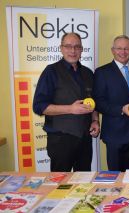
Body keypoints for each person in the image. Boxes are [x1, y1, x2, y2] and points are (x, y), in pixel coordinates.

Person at [33, 32, 100, 172]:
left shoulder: (88, 73)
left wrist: (95, 120)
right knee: (60, 185)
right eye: (68, 46)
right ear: (61, 48)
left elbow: (94, 102)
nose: (73, 50)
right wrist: (70, 108)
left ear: (81, 49)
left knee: (83, 183)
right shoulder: (51, 71)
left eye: (77, 46)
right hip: (60, 139)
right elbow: (39, 106)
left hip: (84, 139)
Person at [93, 35, 129, 172]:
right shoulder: (102, 72)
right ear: (112, 50)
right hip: (115, 134)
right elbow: (98, 102)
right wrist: (121, 109)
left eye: (127, 48)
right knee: (115, 177)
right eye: (119, 48)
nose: (123, 52)